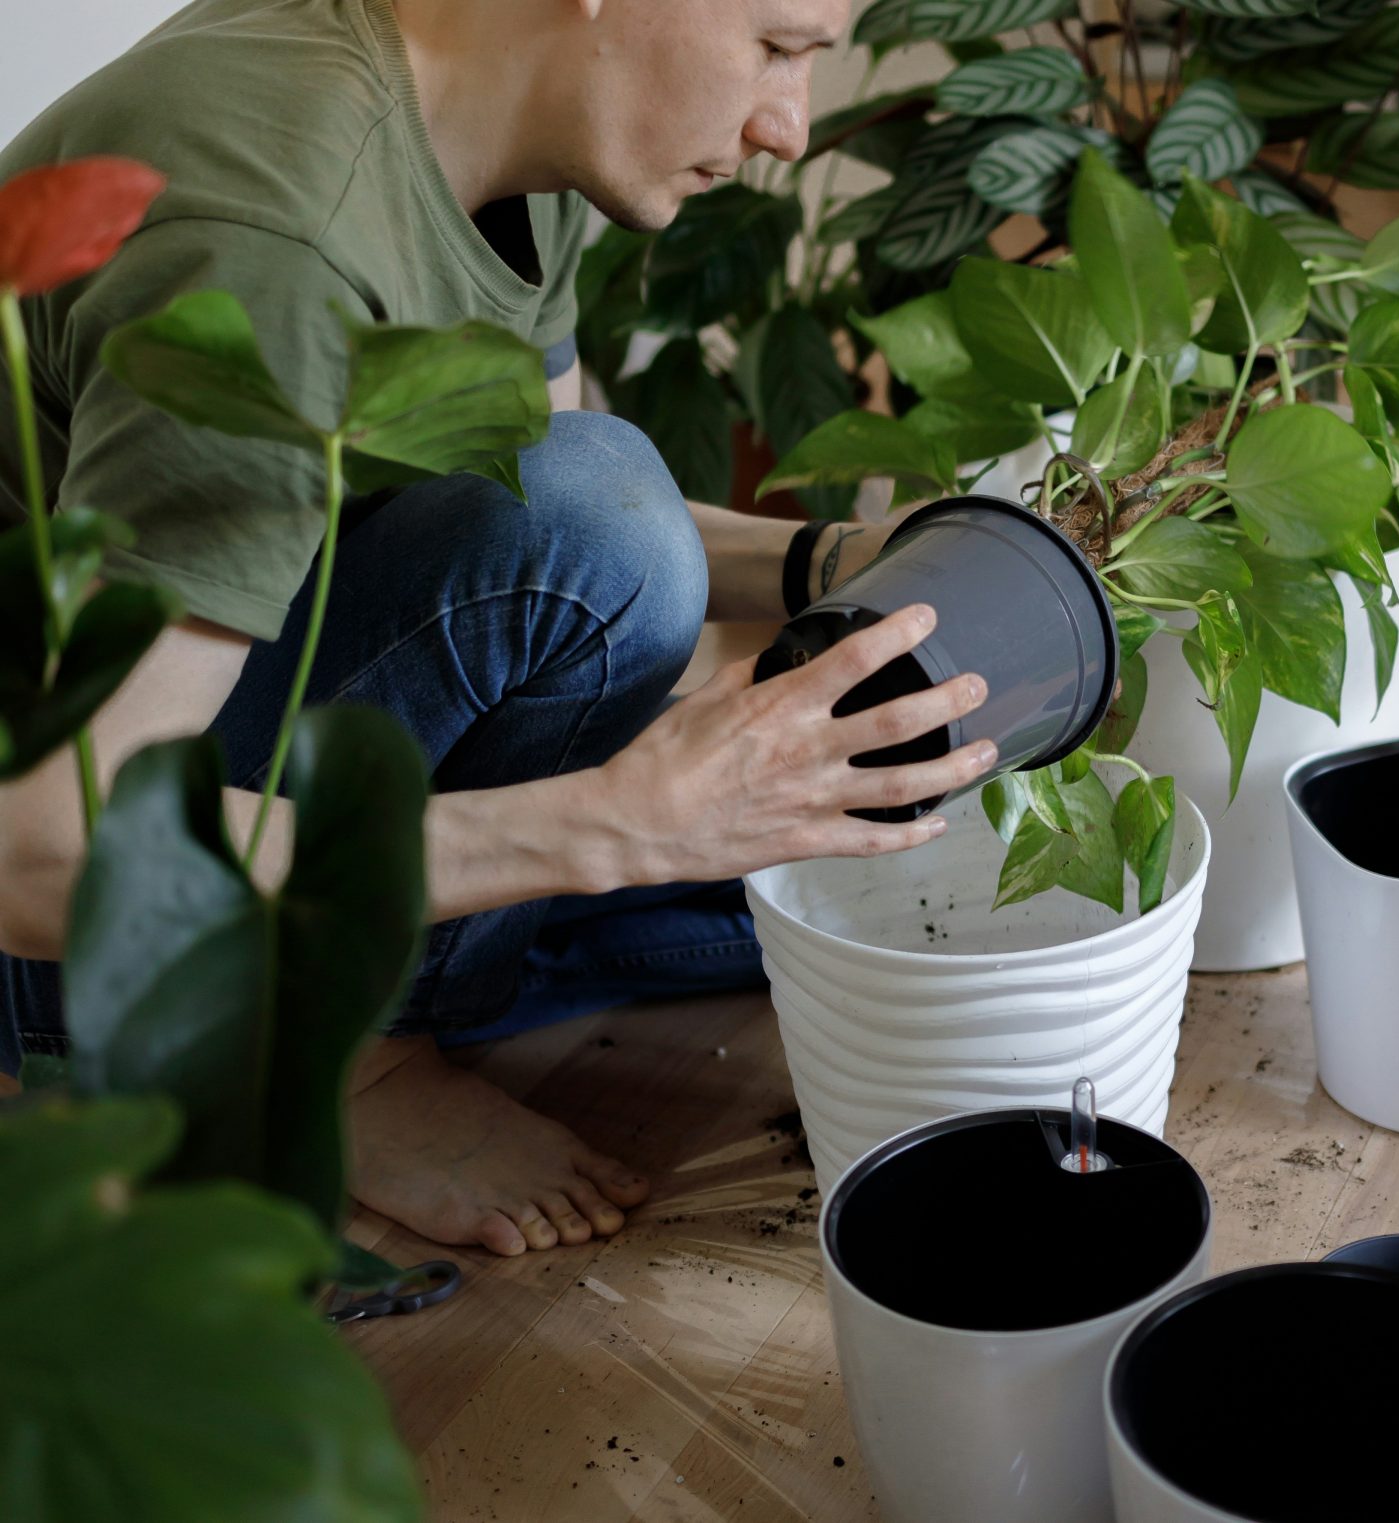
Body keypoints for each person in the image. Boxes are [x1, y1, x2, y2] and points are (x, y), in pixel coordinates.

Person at [0, 0, 993, 1258]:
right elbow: (37, 856)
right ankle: (354, 1067)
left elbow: (530, 508)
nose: (788, 128)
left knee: (817, 878)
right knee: (669, 782)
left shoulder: (519, 123)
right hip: (55, 923)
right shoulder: (279, 242)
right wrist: (621, 823)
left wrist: (830, 562)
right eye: (779, 46)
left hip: (221, 730)